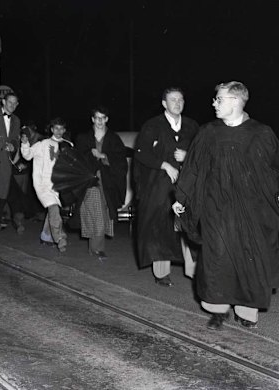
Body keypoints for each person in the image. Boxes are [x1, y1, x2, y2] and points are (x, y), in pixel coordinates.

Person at [173, 81, 279, 330]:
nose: (214, 103)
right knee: (216, 258)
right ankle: (217, 309)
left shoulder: (261, 133)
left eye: (218, 99)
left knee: (250, 258)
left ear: (235, 101)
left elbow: (274, 170)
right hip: (216, 208)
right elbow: (193, 168)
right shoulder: (208, 132)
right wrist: (181, 197)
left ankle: (246, 312)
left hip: (253, 211)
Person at [134, 87, 199, 286]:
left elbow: (202, 152)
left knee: (189, 224)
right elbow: (141, 152)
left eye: (180, 99)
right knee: (160, 225)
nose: (177, 103)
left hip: (186, 185)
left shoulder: (192, 126)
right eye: (173, 100)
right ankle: (162, 273)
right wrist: (164, 164)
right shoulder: (152, 126)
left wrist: (187, 157)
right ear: (164, 103)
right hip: (159, 185)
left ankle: (195, 272)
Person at [75, 106, 127, 261]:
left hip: (108, 183)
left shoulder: (114, 139)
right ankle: (98, 249)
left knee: (103, 214)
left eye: (102, 118)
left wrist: (103, 156)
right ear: (92, 119)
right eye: (97, 118)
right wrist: (91, 157)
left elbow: (121, 161)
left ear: (107, 119)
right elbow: (77, 160)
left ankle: (94, 247)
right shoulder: (83, 138)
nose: (99, 121)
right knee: (96, 211)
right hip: (90, 182)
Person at [21, 117, 71, 252]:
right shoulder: (42, 144)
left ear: (64, 130)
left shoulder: (68, 145)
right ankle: (60, 237)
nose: (59, 131)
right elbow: (27, 155)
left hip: (59, 185)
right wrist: (25, 143)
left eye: (61, 128)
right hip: (43, 184)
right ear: (51, 129)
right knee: (54, 208)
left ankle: (46, 235)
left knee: (53, 209)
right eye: (56, 128)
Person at [0, 92, 21, 229]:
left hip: (5, 160)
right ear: (3, 102)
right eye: (9, 102)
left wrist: (13, 145)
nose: (12, 105)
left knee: (4, 189)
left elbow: (15, 139)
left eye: (14, 103)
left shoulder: (16, 120)